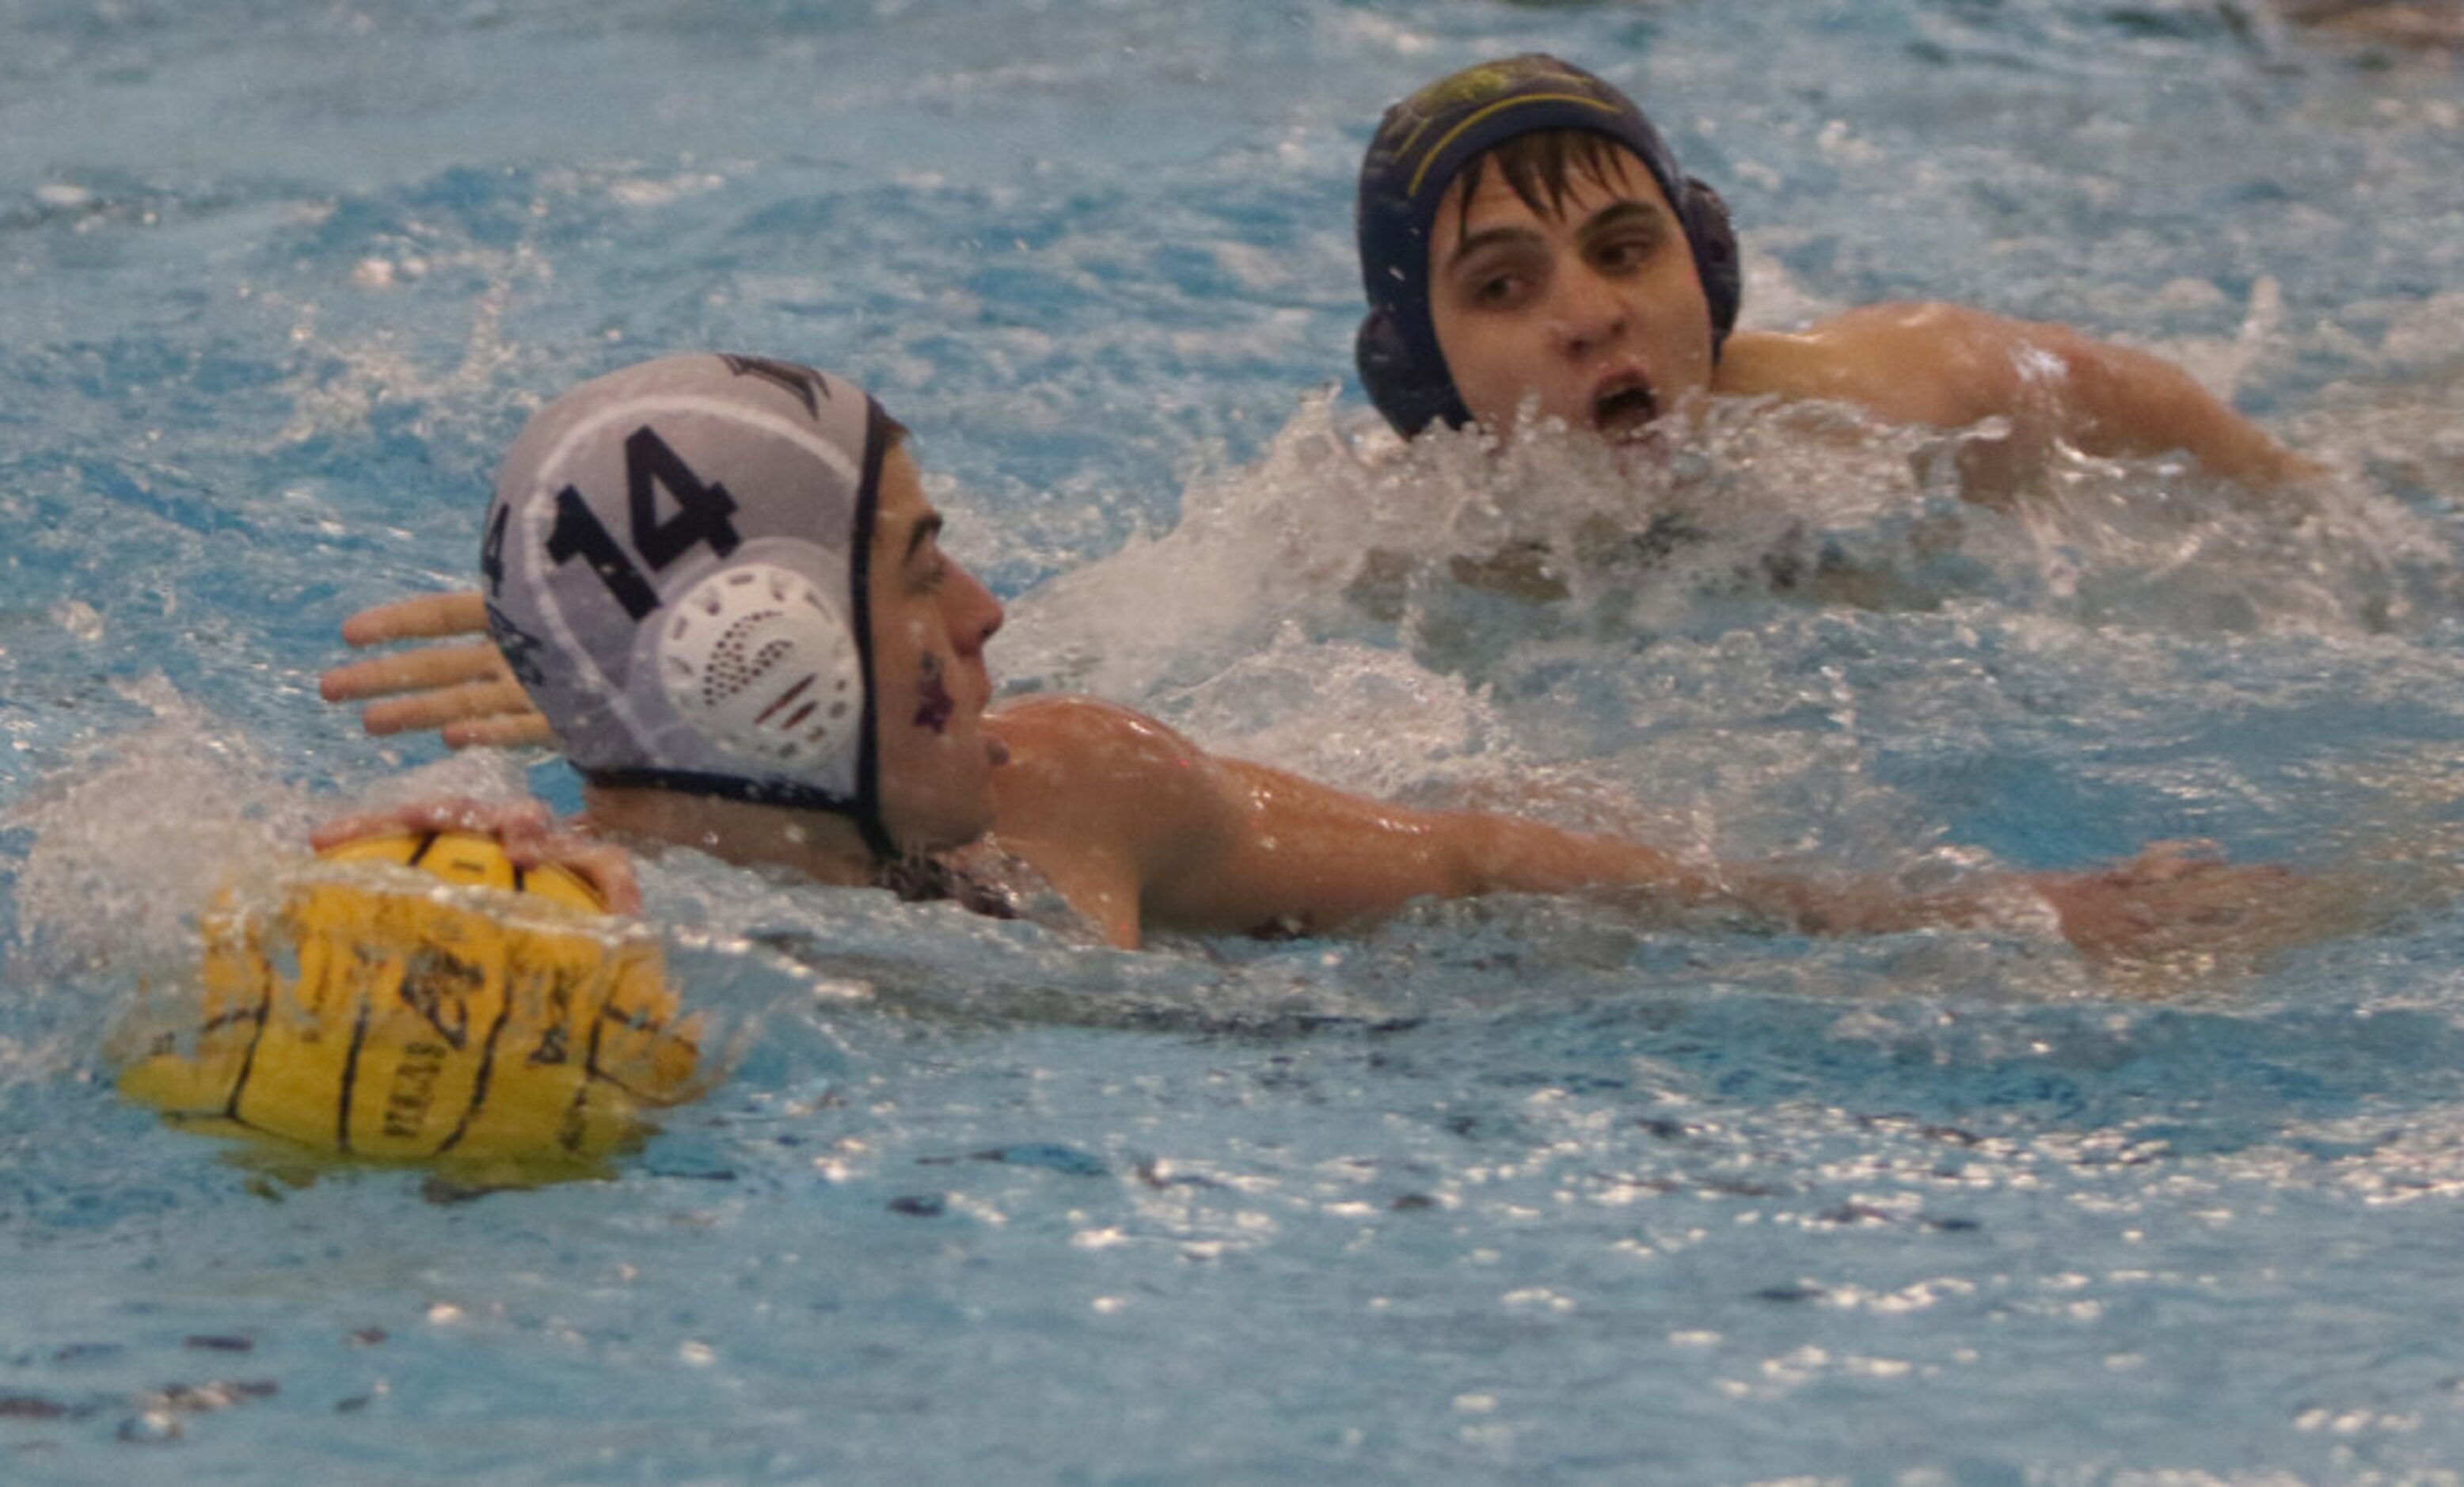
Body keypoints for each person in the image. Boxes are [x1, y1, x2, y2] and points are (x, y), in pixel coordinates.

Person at [316, 351, 2301, 965]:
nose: (990, 612)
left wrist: (1961, 912)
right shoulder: (540, 946)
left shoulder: (1081, 791)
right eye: (919, 569)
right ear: (766, 661)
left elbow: (1472, 852)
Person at [1354, 54, 2324, 497]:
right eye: (1501, 287)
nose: (1591, 315)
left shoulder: (1874, 408)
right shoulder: (1376, 549)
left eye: (1622, 252)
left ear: (1707, 269)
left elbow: (2092, 382)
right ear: (1422, 369)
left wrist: (2298, 500)